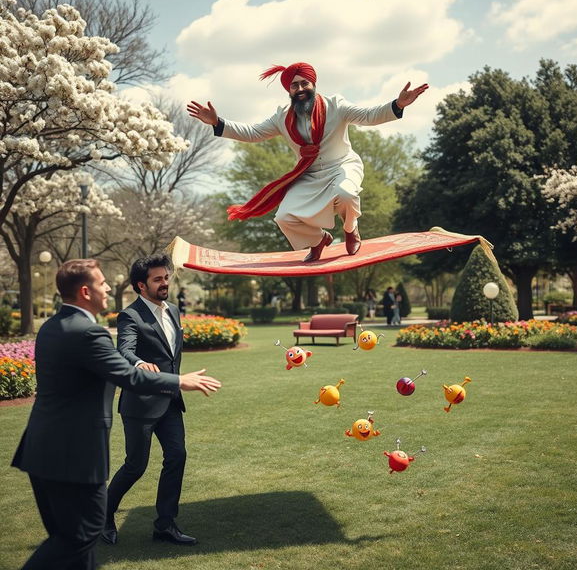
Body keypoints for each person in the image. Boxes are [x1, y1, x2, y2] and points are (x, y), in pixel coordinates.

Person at [11, 259, 221, 570]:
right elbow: (127, 369)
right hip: (74, 454)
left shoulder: (52, 327)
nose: (109, 287)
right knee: (79, 536)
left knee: (71, 541)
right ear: (85, 291)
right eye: (101, 283)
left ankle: (165, 523)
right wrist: (179, 380)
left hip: (42, 449)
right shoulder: (89, 332)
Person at [187, 62, 428, 262]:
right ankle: (318, 240)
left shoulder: (336, 105)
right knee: (283, 218)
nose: (300, 88)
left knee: (346, 194)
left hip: (342, 165)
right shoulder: (281, 117)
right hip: (310, 175)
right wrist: (217, 122)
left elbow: (367, 116)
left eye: (305, 83)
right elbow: (252, 133)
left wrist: (398, 105)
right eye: (294, 85)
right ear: (288, 91)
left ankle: (350, 229)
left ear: (313, 85)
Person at [104, 255, 197, 546]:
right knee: (135, 465)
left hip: (170, 401)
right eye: (158, 279)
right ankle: (102, 516)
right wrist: (138, 362)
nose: (165, 283)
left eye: (166, 277)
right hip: (140, 405)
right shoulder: (130, 316)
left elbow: (170, 355)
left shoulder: (173, 311)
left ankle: (165, 525)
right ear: (141, 286)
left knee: (177, 456)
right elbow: (125, 350)